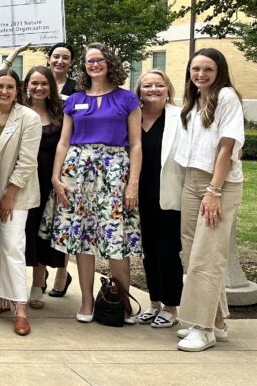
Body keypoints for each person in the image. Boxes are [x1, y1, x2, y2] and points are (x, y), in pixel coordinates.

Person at [43, 43, 142, 324]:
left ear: (109, 63)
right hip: (77, 173)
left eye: (99, 60)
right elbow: (63, 142)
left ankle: (122, 301)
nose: (94, 65)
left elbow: (136, 145)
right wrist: (55, 176)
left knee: (116, 240)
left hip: (114, 173)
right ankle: (87, 301)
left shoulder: (127, 99)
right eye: (89, 61)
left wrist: (132, 182)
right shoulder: (74, 100)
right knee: (82, 239)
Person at [175, 49, 245, 352]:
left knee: (208, 254)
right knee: (192, 253)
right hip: (191, 179)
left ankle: (203, 329)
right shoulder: (193, 102)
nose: (200, 74)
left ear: (220, 71)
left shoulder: (227, 97)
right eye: (196, 69)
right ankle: (217, 320)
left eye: (208, 69)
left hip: (218, 183)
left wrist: (214, 191)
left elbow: (226, 149)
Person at [0, 69, 41, 336]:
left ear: (18, 91)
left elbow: (27, 160)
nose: (4, 91)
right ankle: (2, 298)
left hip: (15, 190)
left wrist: (10, 192)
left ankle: (21, 308)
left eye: (10, 87)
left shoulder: (28, 117)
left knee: (13, 246)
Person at [135, 69, 183, 329]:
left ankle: (171, 306)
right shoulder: (133, 116)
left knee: (167, 251)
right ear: (139, 91)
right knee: (148, 252)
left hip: (169, 193)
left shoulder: (179, 117)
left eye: (158, 85)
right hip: (139, 195)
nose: (153, 90)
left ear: (167, 88)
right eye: (147, 86)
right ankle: (154, 303)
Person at [22, 66, 67, 308]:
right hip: (22, 180)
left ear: (51, 86)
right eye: (34, 83)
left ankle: (37, 286)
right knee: (21, 234)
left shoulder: (60, 112)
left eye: (44, 83)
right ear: (26, 85)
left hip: (50, 180)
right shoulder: (18, 111)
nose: (39, 88)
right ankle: (14, 286)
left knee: (42, 233)